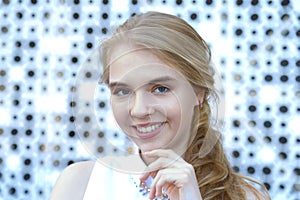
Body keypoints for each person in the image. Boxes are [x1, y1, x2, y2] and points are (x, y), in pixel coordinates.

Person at [50, 11, 270, 200]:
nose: (138, 110)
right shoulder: (79, 185)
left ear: (198, 93)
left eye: (160, 89)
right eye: (123, 91)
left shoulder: (246, 196)